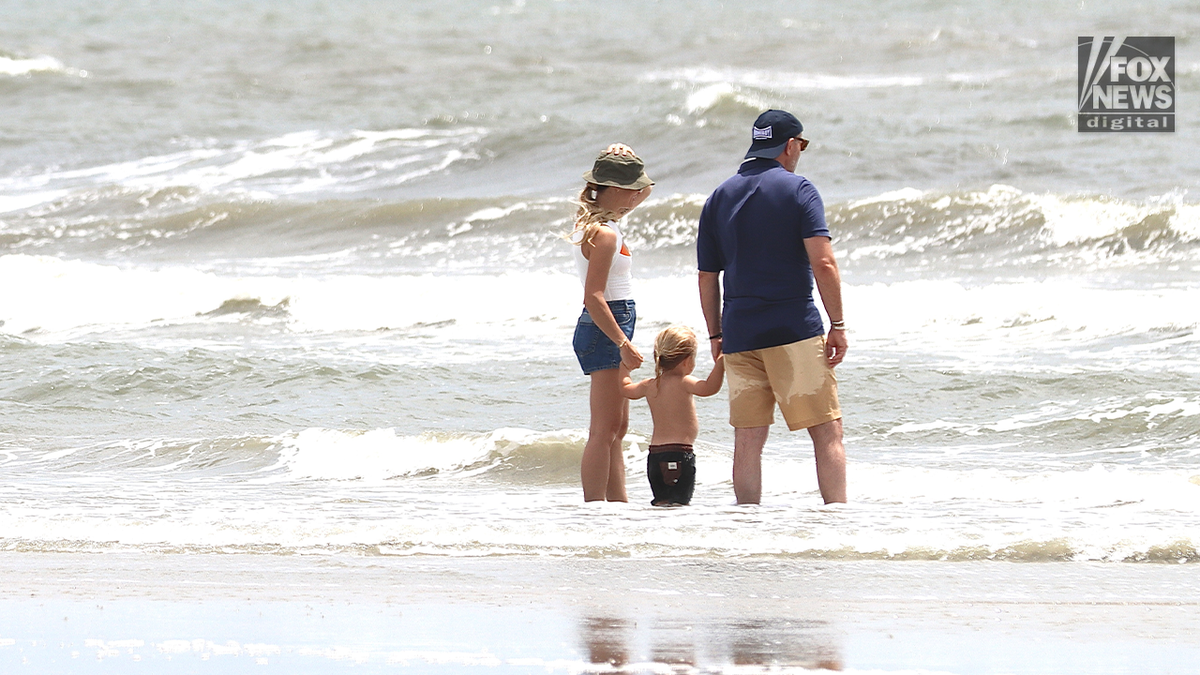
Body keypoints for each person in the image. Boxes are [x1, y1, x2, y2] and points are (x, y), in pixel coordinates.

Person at [696, 109, 848, 505]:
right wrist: (839, 324)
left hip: (740, 332)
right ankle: (840, 522)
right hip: (792, 328)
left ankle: (747, 527)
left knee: (748, 439)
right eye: (802, 144)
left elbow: (707, 276)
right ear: (791, 145)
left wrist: (715, 334)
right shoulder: (799, 190)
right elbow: (824, 261)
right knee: (827, 432)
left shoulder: (719, 196)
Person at [570, 144, 653, 502]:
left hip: (612, 322)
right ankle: (595, 511)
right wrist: (623, 342)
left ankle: (618, 506)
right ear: (616, 191)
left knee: (618, 427)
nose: (640, 195)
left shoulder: (600, 223)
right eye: (632, 188)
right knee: (603, 429)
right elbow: (594, 296)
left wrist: (627, 155)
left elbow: (646, 190)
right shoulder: (603, 234)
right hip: (606, 325)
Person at [618, 326, 725, 506]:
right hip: (680, 454)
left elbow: (625, 389)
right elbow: (709, 388)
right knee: (680, 505)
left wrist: (624, 368)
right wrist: (721, 362)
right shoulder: (684, 382)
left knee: (661, 503)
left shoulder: (650, 385)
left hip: (655, 457)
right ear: (686, 361)